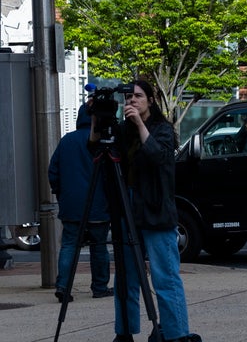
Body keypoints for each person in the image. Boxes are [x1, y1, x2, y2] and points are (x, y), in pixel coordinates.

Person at [89, 80, 198, 342]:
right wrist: (96, 119)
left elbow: (159, 156)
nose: (132, 101)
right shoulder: (123, 131)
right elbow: (95, 148)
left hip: (156, 210)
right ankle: (124, 331)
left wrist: (139, 124)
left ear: (150, 100)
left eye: (138, 96)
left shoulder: (162, 129)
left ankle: (175, 334)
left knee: (165, 277)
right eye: (128, 98)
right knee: (126, 277)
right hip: (128, 209)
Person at [49, 103, 113, 302]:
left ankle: (63, 286)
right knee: (99, 246)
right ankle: (100, 286)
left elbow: (53, 172)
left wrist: (61, 194)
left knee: (69, 245)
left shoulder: (67, 140)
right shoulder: (104, 141)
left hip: (71, 204)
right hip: (98, 203)